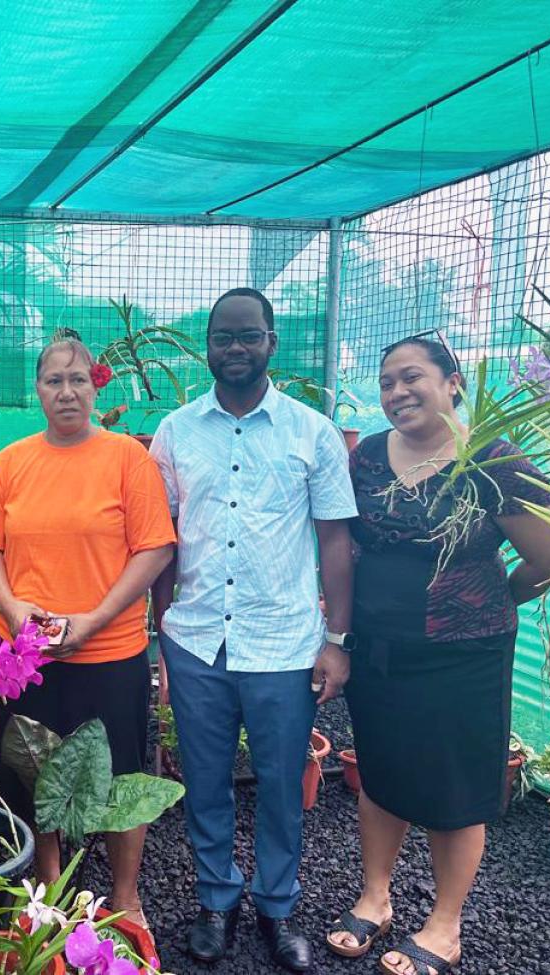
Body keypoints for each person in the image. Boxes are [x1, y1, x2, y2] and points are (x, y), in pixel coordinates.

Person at [326, 335, 550, 975]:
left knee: (452, 785)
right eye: (386, 383)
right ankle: (375, 896)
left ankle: (445, 924)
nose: (397, 393)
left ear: (452, 382)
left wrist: (495, 604)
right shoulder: (370, 458)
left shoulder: (492, 458)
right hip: (379, 648)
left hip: (465, 655)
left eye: (412, 378)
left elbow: (549, 557)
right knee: (380, 771)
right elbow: (346, 546)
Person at [150, 287, 357, 973]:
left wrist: (336, 638)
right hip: (198, 638)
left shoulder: (312, 432)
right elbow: (163, 543)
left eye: (248, 336)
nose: (234, 349)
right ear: (206, 346)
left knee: (278, 783)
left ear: (272, 342)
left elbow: (334, 540)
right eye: (222, 337)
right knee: (205, 780)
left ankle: (276, 906)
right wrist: (161, 635)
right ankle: (217, 900)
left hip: (284, 643)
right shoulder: (176, 432)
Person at [0, 335, 175, 927]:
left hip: (109, 652)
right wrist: (12, 609)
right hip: (26, 659)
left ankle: (126, 895)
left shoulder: (125, 459)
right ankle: (48, 889)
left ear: (95, 387)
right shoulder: (11, 463)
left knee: (120, 778)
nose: (66, 392)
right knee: (29, 773)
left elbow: (155, 549)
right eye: (53, 381)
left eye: (78, 381)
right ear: (37, 390)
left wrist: (92, 621)